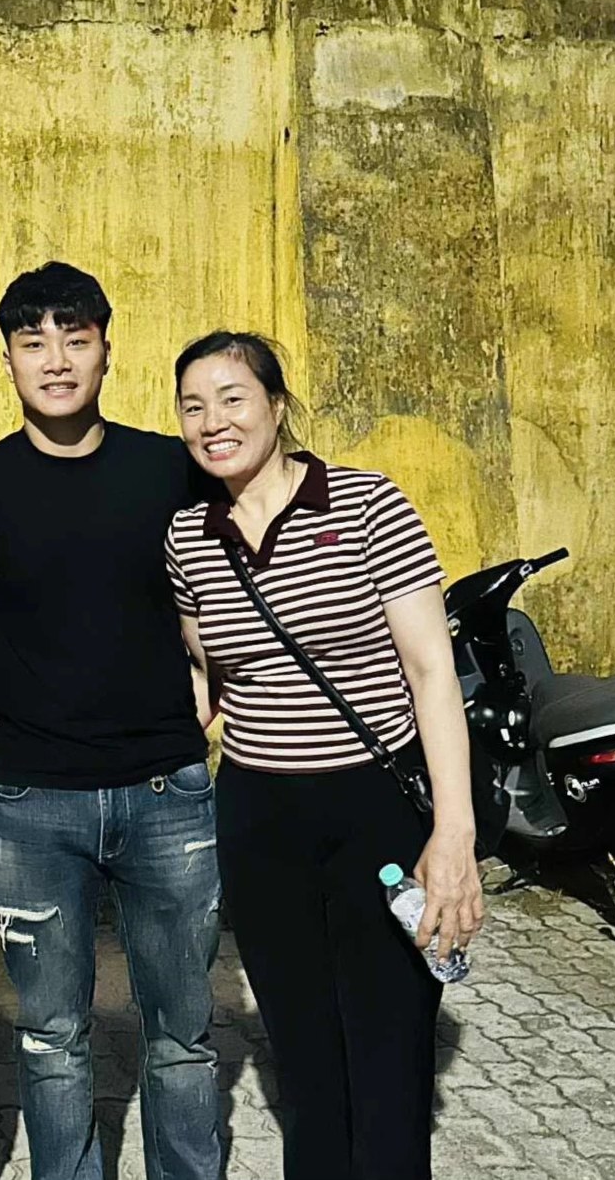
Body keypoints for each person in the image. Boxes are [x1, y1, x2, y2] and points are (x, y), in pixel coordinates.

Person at [164, 331, 485, 1180]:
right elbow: (205, 679)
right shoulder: (189, 536)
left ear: (276, 405)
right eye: (192, 406)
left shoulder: (368, 504)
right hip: (259, 816)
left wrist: (453, 831)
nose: (212, 420)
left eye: (232, 397)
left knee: (388, 1055)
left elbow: (431, 673)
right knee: (303, 1059)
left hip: (374, 809)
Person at [0, 262, 222, 1180]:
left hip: (165, 789)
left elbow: (209, 591)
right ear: (8, 360)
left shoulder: (167, 468)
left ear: (105, 350)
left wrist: (207, 678)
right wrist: (37, 684)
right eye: (33, 343)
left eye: (75, 338)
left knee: (182, 1032)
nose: (55, 360)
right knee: (50, 1034)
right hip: (33, 799)